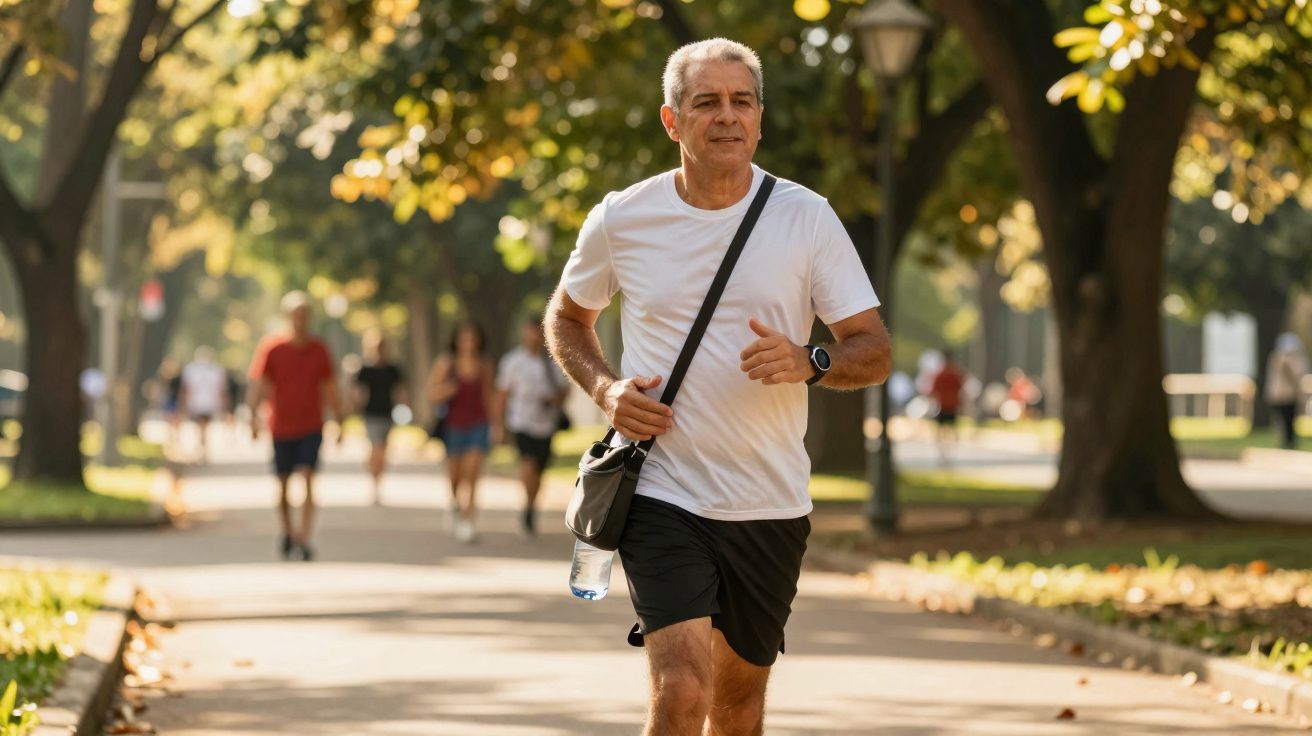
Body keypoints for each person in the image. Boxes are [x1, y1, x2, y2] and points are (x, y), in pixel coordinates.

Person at [544, 38, 891, 736]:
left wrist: (811, 361)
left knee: (736, 709)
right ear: (673, 121)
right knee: (680, 691)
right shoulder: (623, 218)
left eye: (742, 102)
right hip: (663, 492)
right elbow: (567, 318)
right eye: (707, 102)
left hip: (770, 501)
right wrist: (608, 391)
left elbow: (874, 348)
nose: (726, 116)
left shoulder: (806, 217)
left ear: (760, 119)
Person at [247, 291, 343, 561]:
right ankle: (287, 531)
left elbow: (330, 387)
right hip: (281, 426)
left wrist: (340, 419)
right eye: (296, 315)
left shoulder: (319, 349)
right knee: (283, 484)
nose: (301, 320)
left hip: (312, 424)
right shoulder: (272, 348)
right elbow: (260, 384)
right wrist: (252, 416)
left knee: (310, 478)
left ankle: (304, 535)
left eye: (305, 314)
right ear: (288, 317)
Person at [492, 318, 569, 535]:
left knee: (540, 470)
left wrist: (554, 400)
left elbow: (565, 391)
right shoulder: (512, 362)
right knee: (528, 463)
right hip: (520, 421)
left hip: (546, 424)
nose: (534, 336)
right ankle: (527, 504)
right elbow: (502, 395)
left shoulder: (555, 362)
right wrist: (499, 425)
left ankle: (531, 505)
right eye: (531, 331)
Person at [426, 322, 495, 543]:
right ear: (456, 340)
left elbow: (489, 397)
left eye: (472, 338)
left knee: (473, 471)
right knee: (455, 476)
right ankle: (455, 505)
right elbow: (431, 394)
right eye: (464, 338)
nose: (468, 343)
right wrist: (447, 390)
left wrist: (496, 425)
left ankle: (468, 521)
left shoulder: (485, 366)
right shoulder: (446, 363)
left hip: (478, 424)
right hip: (453, 426)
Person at [351, 329, 407, 505]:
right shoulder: (365, 369)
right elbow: (357, 391)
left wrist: (403, 405)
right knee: (376, 448)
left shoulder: (393, 369)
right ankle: (374, 481)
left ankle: (377, 479)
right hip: (370, 414)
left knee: (382, 451)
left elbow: (400, 390)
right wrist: (355, 405)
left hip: (387, 414)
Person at [179, 346, 229, 462]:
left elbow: (222, 389)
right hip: (196, 404)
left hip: (209, 403)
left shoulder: (217, 370)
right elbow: (186, 389)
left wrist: (224, 406)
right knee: (200, 426)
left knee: (204, 426)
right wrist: (184, 404)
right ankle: (202, 447)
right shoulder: (191, 369)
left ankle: (202, 448)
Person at [1265, 332, 1308, 450]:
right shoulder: (1287, 360)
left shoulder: (1275, 357)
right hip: (1287, 394)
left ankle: (1287, 441)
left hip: (1277, 394)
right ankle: (1289, 442)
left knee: (1284, 420)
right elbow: (1296, 375)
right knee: (1288, 419)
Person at [927, 350, 965, 463]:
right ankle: (951, 451)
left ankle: (942, 452)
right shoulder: (956, 374)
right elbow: (961, 389)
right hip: (953, 405)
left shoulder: (940, 374)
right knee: (953, 429)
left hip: (942, 405)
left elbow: (933, 390)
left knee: (940, 431)